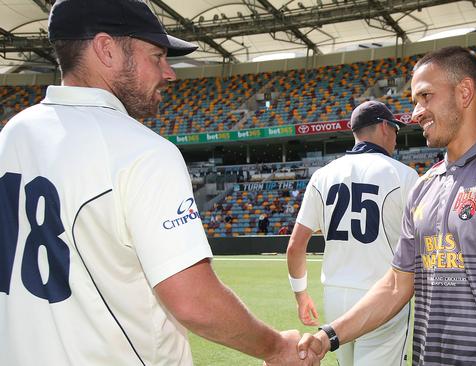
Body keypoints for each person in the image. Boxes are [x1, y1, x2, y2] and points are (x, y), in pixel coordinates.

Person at [0, 1, 315, 365]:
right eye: (156, 56)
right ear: (106, 49)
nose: (169, 73)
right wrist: (276, 347)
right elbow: (193, 301)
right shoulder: (143, 151)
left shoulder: (13, 134)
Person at [299, 46, 476, 365]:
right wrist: (328, 336)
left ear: (464, 92)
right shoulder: (423, 186)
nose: (416, 113)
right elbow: (396, 285)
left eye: (425, 97)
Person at [286, 100, 419, 366]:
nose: (396, 136)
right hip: (383, 296)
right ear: (383, 127)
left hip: (335, 297)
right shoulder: (404, 175)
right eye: (395, 129)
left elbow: (295, 247)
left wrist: (301, 296)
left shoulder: (323, 175)